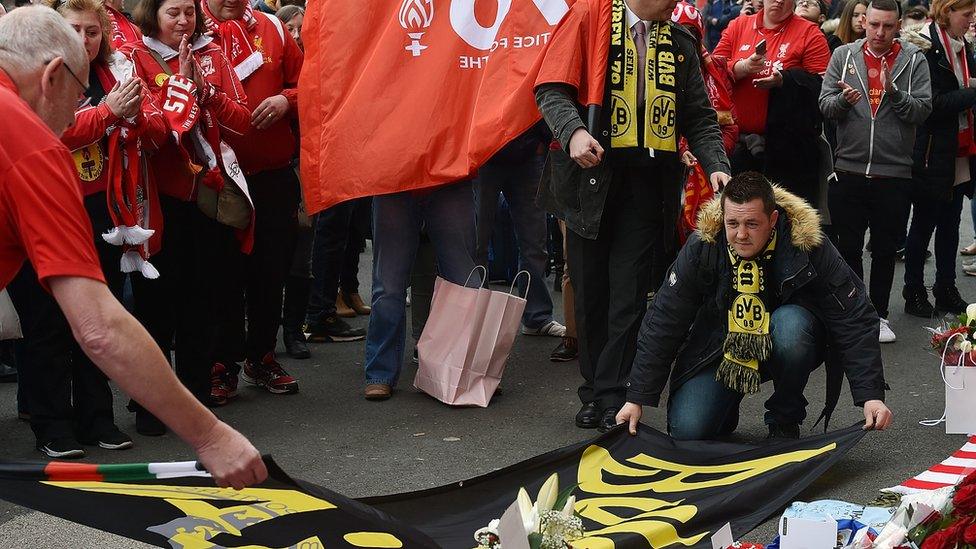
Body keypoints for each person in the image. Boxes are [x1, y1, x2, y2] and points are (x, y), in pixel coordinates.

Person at [0, 4, 265, 487]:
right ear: (54, 76)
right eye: (80, 94)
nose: (75, 111)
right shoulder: (32, 143)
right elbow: (98, 326)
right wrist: (211, 437)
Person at [534, 0, 731, 432]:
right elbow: (550, 89)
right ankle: (594, 388)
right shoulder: (590, 19)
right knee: (590, 292)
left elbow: (698, 115)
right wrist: (574, 132)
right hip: (590, 179)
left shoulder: (680, 41)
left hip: (647, 185)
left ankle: (612, 394)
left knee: (629, 293)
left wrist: (716, 162)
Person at [615, 173, 892, 440]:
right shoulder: (703, 245)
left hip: (786, 341)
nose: (741, 235)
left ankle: (785, 417)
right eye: (732, 223)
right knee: (689, 431)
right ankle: (725, 402)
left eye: (752, 224)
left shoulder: (806, 242)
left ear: (773, 219)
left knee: (791, 327)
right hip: (721, 348)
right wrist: (636, 397)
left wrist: (871, 396)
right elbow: (665, 318)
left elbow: (853, 315)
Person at [10, 0, 168, 458]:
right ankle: (51, 424)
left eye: (93, 31)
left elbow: (151, 129)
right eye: (75, 29)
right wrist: (108, 114)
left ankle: (97, 416)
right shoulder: (35, 75)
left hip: (102, 213)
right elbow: (45, 131)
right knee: (46, 325)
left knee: (100, 319)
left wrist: (135, 116)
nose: (84, 40)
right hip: (42, 211)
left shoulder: (110, 74)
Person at [119, 0, 253, 421]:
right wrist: (174, 95)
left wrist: (205, 92)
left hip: (205, 195)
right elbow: (142, 128)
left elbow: (243, 119)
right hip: (155, 197)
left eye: (189, 13)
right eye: (172, 12)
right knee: (154, 304)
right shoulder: (132, 57)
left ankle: (195, 396)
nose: (183, 21)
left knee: (200, 300)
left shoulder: (211, 53)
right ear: (152, 14)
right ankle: (150, 404)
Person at [199, 0, 304, 401]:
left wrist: (286, 101)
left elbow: (308, 80)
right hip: (217, 179)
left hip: (273, 177)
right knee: (222, 274)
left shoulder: (273, 28)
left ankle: (261, 356)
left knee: (271, 271)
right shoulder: (192, 29)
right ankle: (221, 364)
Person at [820, 0, 932, 342]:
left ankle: (879, 315)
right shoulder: (844, 56)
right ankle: (854, 313)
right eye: (874, 25)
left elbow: (923, 110)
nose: (880, 33)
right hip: (849, 168)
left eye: (887, 26)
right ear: (863, 22)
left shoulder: (914, 60)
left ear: (898, 25)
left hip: (894, 172)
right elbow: (825, 104)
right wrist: (844, 102)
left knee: (884, 250)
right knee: (847, 247)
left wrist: (895, 93)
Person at [714, 0, 832, 206]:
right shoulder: (738, 25)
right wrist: (743, 67)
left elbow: (823, 87)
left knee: (785, 224)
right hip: (738, 147)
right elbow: (713, 71)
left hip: (788, 153)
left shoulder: (810, 33)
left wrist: (785, 80)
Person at [902, 0, 976, 316]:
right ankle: (914, 290)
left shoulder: (963, 47)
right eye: (967, 14)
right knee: (924, 223)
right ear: (948, 12)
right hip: (932, 150)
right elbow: (931, 103)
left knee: (950, 223)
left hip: (960, 149)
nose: (972, 20)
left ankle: (946, 287)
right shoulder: (925, 47)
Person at [474, 123, 567, 341]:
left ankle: (537, 316)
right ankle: (477, 321)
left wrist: (540, 141)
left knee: (535, 242)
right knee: (476, 243)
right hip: (484, 152)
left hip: (524, 152)